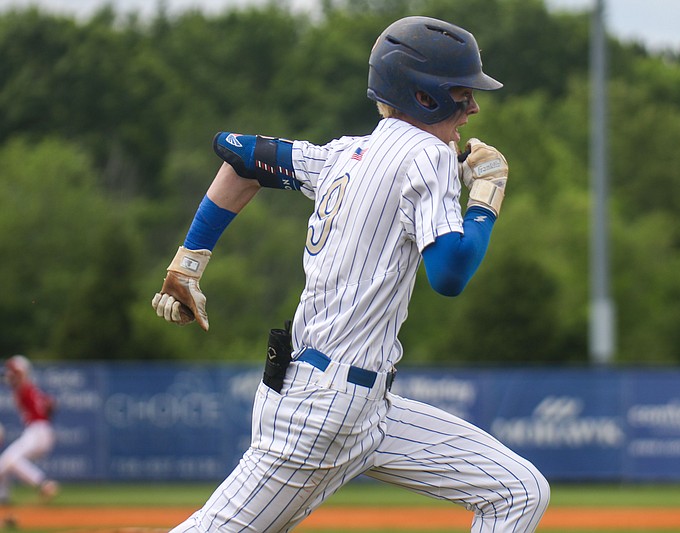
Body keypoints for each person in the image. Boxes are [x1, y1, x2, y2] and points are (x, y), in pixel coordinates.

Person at [152, 15, 549, 532]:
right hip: (324, 412)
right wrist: (487, 198)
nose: (473, 105)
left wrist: (189, 261)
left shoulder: (345, 154)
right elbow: (449, 273)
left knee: (518, 491)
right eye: (461, 91)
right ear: (424, 97)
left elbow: (240, 156)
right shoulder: (428, 153)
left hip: (360, 407)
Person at [0, 355, 59, 508]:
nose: (10, 374)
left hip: (37, 431)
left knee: (11, 459)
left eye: (13, 371)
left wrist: (16, 374)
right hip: (41, 431)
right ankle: (3, 498)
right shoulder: (31, 388)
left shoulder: (24, 387)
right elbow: (51, 405)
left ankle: (43, 483)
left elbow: (18, 380)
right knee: (4, 463)